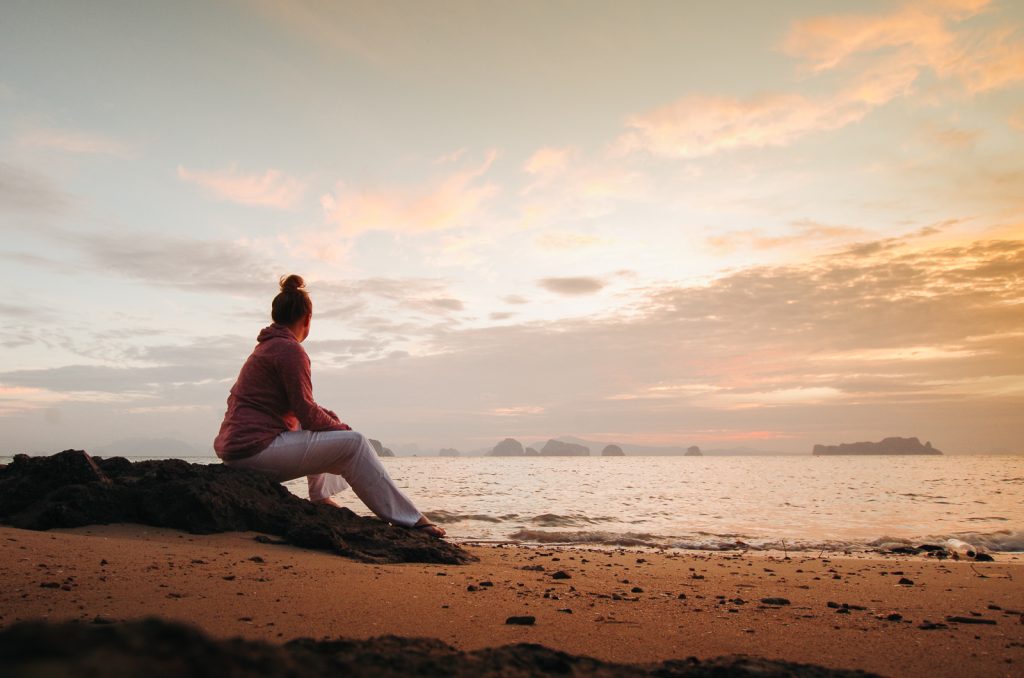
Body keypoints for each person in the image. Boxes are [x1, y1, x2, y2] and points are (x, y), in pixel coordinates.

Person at [213, 274, 445, 537]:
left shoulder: (266, 347)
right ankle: (411, 520)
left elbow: (302, 410)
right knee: (353, 442)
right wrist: (343, 429)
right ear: (307, 319)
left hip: (240, 451)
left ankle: (320, 496)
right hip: (254, 452)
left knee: (330, 421)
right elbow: (307, 413)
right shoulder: (289, 350)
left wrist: (332, 420)